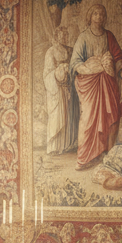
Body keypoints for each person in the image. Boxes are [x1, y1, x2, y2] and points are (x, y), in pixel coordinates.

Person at [69, 3, 122, 170]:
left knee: (111, 116)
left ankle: (109, 153)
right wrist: (92, 66)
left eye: (101, 14)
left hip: (108, 83)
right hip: (90, 85)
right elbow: (75, 63)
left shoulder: (109, 36)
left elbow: (119, 58)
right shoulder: (83, 37)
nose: (99, 17)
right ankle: (86, 157)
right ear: (90, 16)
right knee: (89, 119)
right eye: (95, 14)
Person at [42, 25, 78, 154]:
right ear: (56, 37)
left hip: (71, 89)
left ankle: (69, 144)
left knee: (71, 116)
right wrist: (59, 73)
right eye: (62, 36)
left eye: (66, 35)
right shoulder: (51, 52)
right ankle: (56, 147)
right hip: (58, 90)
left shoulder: (72, 51)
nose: (64, 38)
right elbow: (47, 73)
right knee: (59, 117)